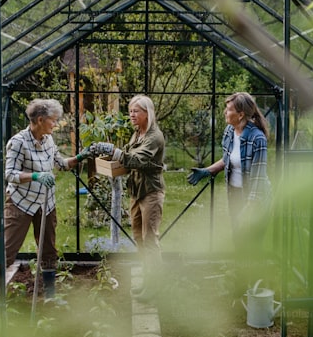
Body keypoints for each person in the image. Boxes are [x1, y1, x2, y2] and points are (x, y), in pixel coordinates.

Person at [4, 98, 106, 299]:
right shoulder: (18, 142)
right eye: (53, 120)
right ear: (40, 119)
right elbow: (10, 174)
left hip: (45, 203)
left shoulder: (49, 141)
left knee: (49, 250)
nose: (56, 124)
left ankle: (50, 296)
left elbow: (61, 164)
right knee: (7, 250)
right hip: (21, 202)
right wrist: (35, 176)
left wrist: (82, 156)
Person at [95, 95, 166, 296]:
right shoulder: (138, 134)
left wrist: (115, 152)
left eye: (136, 111)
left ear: (147, 113)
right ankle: (147, 279)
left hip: (151, 192)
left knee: (150, 239)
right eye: (130, 111)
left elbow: (139, 160)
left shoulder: (154, 137)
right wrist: (108, 155)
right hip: (136, 192)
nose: (132, 115)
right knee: (139, 239)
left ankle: (155, 286)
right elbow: (127, 155)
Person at [187, 91, 272, 227]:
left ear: (240, 115)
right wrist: (207, 171)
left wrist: (250, 207)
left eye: (229, 109)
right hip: (235, 195)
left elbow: (258, 178)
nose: (224, 112)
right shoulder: (229, 131)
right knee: (237, 240)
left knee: (250, 242)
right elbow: (228, 159)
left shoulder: (257, 138)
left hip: (254, 198)